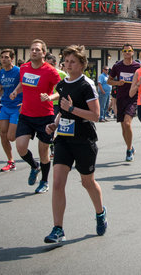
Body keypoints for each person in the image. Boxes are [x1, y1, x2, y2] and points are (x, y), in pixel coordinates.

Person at [44, 45, 107, 244]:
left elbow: (96, 115)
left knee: (87, 182)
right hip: (63, 139)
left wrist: (72, 108)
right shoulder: (62, 85)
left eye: (73, 61)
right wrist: (54, 123)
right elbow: (63, 111)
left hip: (84, 140)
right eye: (66, 61)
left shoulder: (86, 85)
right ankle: (58, 228)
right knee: (57, 183)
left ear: (81, 64)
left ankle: (100, 212)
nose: (68, 65)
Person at [10, 39, 61, 194]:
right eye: (32, 49)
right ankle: (34, 166)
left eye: (37, 50)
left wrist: (51, 97)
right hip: (26, 114)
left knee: (43, 151)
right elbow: (22, 83)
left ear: (43, 53)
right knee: (20, 147)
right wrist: (16, 91)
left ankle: (44, 181)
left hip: (45, 116)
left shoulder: (50, 71)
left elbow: (62, 90)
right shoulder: (24, 68)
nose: (34, 52)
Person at [0, 49, 22, 171]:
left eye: (6, 57)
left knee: (11, 137)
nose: (4, 59)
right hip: (5, 106)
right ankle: (11, 161)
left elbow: (24, 86)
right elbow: (1, 90)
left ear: (12, 59)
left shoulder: (18, 71)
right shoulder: (1, 73)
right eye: (2, 57)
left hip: (17, 106)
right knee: (2, 134)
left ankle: (24, 130)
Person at [108, 43, 141, 161]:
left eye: (129, 51)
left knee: (127, 123)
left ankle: (128, 150)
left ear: (133, 52)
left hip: (132, 98)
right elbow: (109, 81)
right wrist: (118, 83)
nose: (127, 53)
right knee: (123, 127)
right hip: (121, 98)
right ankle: (130, 147)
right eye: (125, 51)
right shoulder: (117, 66)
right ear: (122, 52)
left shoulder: (138, 66)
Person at [46, 53, 68, 159]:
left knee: (58, 125)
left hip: (59, 103)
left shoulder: (62, 74)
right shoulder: (43, 73)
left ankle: (58, 147)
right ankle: (52, 147)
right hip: (47, 103)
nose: (48, 66)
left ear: (55, 64)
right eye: (46, 64)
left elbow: (68, 87)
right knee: (50, 126)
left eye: (50, 64)